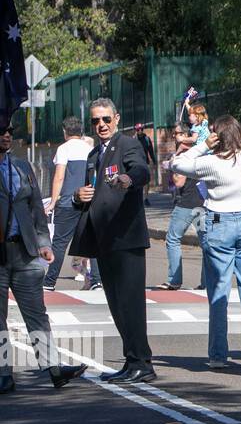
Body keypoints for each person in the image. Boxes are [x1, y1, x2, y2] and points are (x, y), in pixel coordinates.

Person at [70, 98, 154, 383]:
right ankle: (132, 361)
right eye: (95, 121)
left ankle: (143, 362)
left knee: (130, 302)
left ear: (116, 118)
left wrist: (129, 179)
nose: (101, 125)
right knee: (116, 304)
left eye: (106, 119)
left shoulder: (128, 144)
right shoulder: (95, 154)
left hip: (126, 236)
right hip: (103, 238)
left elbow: (142, 170)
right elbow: (89, 191)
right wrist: (77, 197)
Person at [0, 119, 87, 394]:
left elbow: (36, 206)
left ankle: (54, 369)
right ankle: (3, 374)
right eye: (0, 131)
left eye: (9, 132)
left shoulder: (22, 166)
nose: (6, 136)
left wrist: (43, 242)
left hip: (24, 249)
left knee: (36, 313)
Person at [172, 116, 241, 369]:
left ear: (218, 136)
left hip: (219, 221)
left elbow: (176, 164)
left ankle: (218, 355)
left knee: (219, 291)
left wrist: (201, 145)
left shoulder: (211, 163)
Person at [43, 116, 99, 292]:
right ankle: (96, 281)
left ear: (64, 131)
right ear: (81, 131)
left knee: (59, 243)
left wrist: (52, 202)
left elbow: (59, 176)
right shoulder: (91, 148)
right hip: (89, 201)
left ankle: (49, 282)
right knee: (91, 242)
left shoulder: (63, 149)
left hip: (68, 202)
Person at [158, 123, 206, 291]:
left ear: (186, 135)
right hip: (204, 204)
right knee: (205, 242)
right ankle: (207, 283)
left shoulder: (184, 155)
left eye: (177, 134)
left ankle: (174, 280)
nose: (175, 137)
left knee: (172, 238)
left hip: (187, 204)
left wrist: (172, 164)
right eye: (173, 134)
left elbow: (179, 182)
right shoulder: (201, 150)